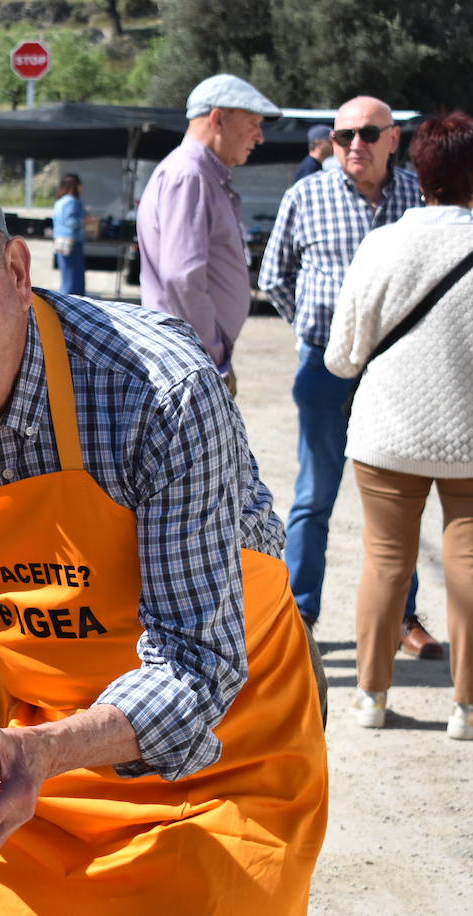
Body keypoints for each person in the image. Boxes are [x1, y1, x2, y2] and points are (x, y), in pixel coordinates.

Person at [0, 165, 327, 913]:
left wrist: (45, 754)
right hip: (14, 755)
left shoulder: (155, 392)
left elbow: (198, 665)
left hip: (222, 761)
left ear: (19, 270)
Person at [259, 95, 440, 657]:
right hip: (324, 367)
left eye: (366, 134)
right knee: (315, 493)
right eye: (342, 137)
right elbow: (275, 275)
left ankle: (402, 617)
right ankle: (300, 615)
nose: (353, 146)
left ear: (393, 139)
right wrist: (315, 334)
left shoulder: (420, 197)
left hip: (401, 369)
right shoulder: (305, 195)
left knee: (399, 497)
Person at [323, 110, 473, 739]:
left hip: (387, 433)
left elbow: (342, 356)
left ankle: (370, 697)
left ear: (417, 170)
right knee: (469, 562)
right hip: (468, 437)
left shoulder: (381, 244)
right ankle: (465, 708)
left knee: (385, 562)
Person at [135, 73, 279, 396]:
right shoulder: (189, 176)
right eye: (253, 122)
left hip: (192, 360)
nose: (260, 137)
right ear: (217, 118)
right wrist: (213, 359)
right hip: (190, 364)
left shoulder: (198, 175)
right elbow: (182, 279)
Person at [51, 173, 86, 295]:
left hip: (59, 241)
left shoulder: (59, 201)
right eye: (80, 185)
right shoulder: (73, 202)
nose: (82, 187)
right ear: (75, 186)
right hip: (72, 243)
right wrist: (85, 220)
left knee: (66, 275)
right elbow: (71, 221)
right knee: (74, 278)